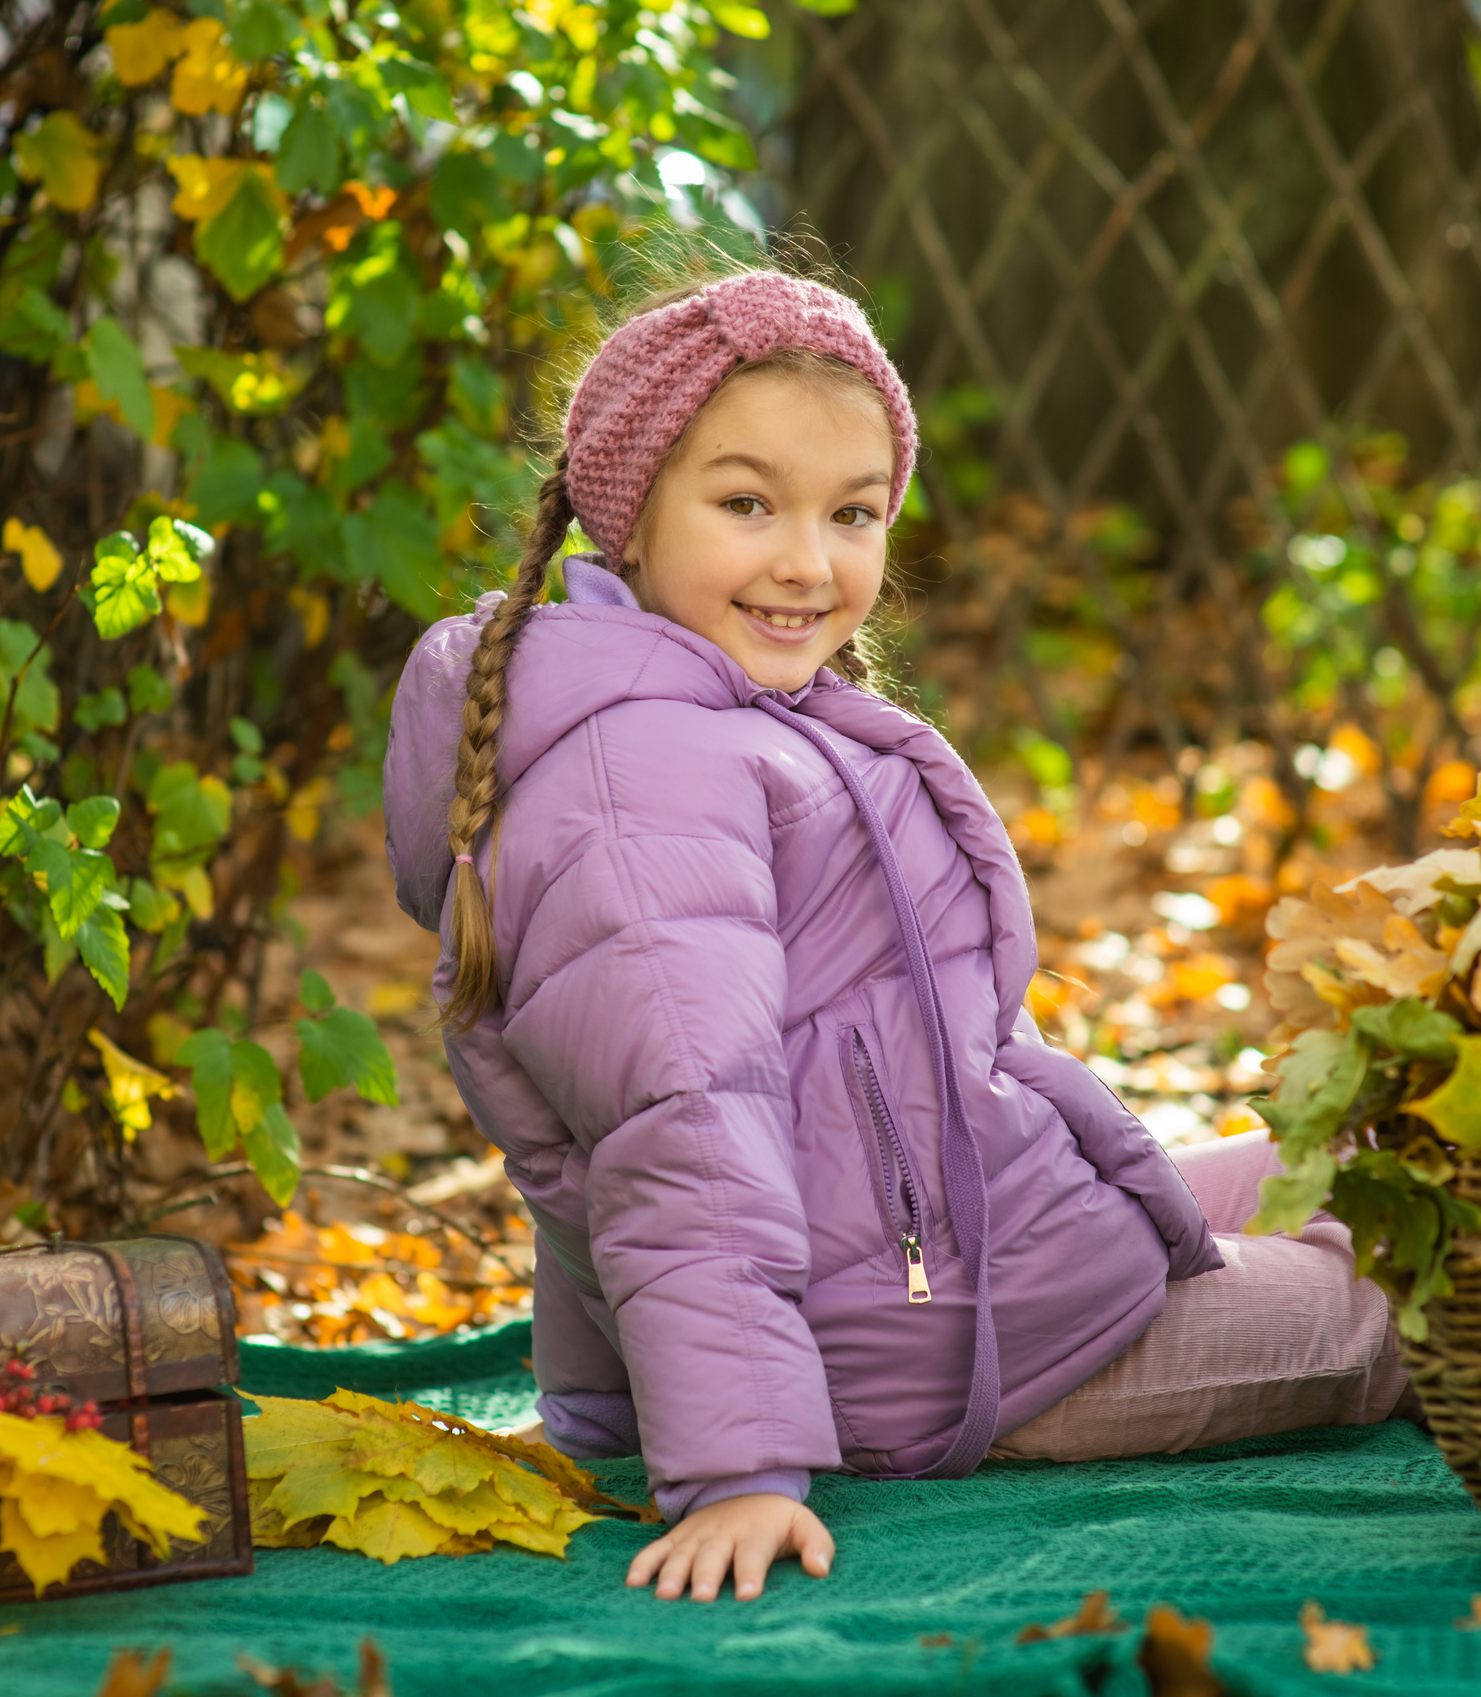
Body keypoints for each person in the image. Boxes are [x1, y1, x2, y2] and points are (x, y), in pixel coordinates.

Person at [382, 268, 1407, 1606]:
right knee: (1416, 1278)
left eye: (853, 512)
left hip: (972, 1243)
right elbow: (676, 1127)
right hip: (949, 1346)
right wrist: (736, 1462)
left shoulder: (714, 715)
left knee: (1353, 1156)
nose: (810, 562)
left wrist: (600, 1413)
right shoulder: (642, 779)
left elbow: (601, 1136)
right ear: (627, 519)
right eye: (748, 504)